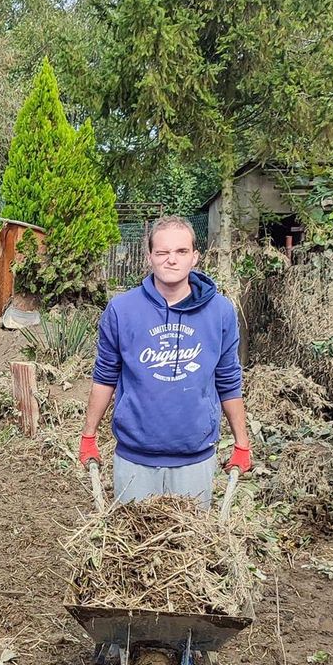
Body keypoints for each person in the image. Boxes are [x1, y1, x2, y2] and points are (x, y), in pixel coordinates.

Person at [79, 215, 251, 506]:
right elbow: (105, 375)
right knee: (131, 547)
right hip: (135, 458)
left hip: (194, 459)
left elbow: (228, 378)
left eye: (181, 251)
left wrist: (242, 442)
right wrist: (88, 435)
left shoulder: (220, 312)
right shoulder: (122, 310)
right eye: (162, 252)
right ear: (150, 258)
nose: (171, 260)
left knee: (192, 547)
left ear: (195, 257)